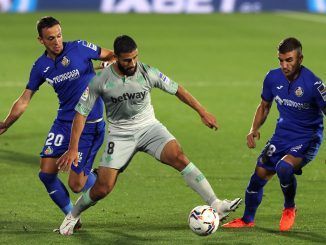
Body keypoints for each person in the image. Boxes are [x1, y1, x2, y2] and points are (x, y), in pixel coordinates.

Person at [56, 35, 242, 235]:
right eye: (127, 59)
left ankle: (216, 204)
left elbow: (178, 89)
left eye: (135, 57)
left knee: (178, 156)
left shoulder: (147, 72)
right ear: (116, 58)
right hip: (120, 134)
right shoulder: (100, 81)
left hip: (149, 127)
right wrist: (73, 148)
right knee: (103, 187)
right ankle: (73, 215)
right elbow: (81, 113)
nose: (133, 63)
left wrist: (202, 112)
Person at [0, 16, 114, 222]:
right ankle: (72, 217)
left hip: (89, 122)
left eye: (59, 35)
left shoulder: (80, 47)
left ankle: (102, 181)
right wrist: (6, 123)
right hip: (64, 122)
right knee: (46, 174)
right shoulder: (40, 66)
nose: (57, 41)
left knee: (77, 184)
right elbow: (25, 99)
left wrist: (107, 64)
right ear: (41, 40)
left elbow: (112, 56)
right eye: (51, 38)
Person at [223, 37, 326, 231]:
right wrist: (254, 129)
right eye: (281, 60)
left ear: (300, 59)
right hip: (281, 136)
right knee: (258, 176)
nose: (284, 65)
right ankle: (247, 219)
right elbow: (264, 106)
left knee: (284, 168)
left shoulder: (314, 84)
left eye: (289, 60)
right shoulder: (272, 77)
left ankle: (289, 208)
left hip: (307, 138)